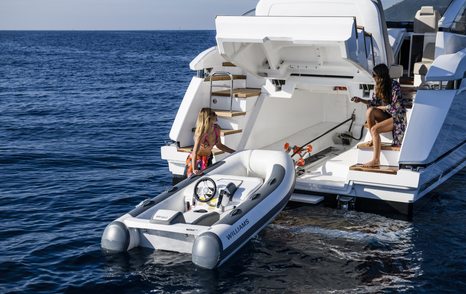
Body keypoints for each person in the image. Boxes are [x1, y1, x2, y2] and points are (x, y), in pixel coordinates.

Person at [352, 63, 407, 167]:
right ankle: (374, 139)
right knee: (370, 111)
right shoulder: (378, 87)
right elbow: (373, 103)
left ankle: (376, 160)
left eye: (374, 75)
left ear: (380, 76)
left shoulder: (394, 86)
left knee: (374, 129)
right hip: (387, 116)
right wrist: (361, 100)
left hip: (397, 117)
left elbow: (397, 107)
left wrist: (382, 108)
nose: (372, 77)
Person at [184, 108, 235, 177]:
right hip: (196, 160)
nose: (216, 115)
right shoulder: (201, 134)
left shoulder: (216, 129)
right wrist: (194, 169)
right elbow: (195, 152)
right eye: (213, 114)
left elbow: (219, 145)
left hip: (208, 159)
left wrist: (233, 152)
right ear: (208, 118)